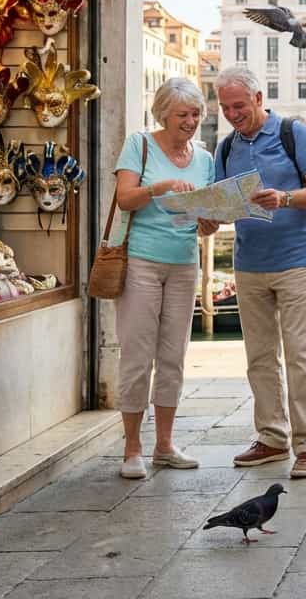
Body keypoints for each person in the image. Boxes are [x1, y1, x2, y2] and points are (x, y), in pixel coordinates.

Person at [214, 67, 306, 479]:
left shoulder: (292, 132)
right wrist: (205, 217)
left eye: (239, 106)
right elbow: (220, 205)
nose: (232, 114)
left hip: (298, 259)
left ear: (259, 98)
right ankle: (272, 438)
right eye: (226, 107)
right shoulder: (226, 148)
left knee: (302, 356)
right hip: (249, 265)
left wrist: (284, 198)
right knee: (259, 358)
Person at [111, 78, 216, 479]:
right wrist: (161, 187)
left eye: (196, 115)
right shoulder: (139, 145)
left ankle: (165, 446)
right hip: (141, 260)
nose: (190, 122)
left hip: (184, 262)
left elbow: (204, 225)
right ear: (162, 115)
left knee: (173, 356)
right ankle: (131, 448)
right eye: (182, 115)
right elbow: (125, 199)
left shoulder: (204, 158)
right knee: (138, 356)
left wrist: (209, 221)